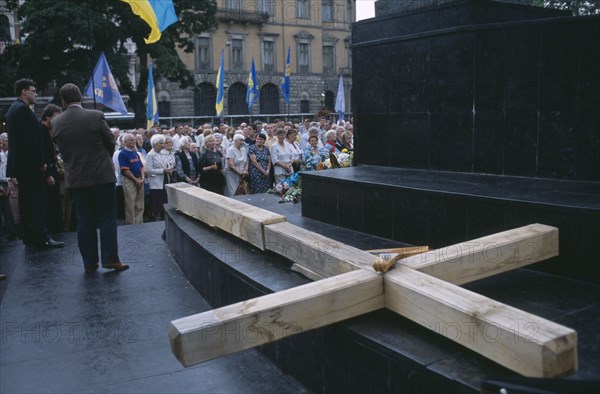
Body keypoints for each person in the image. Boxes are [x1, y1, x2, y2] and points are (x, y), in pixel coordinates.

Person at [51, 83, 128, 273]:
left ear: (63, 100)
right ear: (80, 97)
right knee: (107, 218)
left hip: (76, 178)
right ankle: (110, 259)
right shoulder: (95, 115)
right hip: (101, 175)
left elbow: (60, 149)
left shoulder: (56, 122)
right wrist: (102, 159)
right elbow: (111, 142)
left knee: (84, 220)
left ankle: (89, 262)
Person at [5, 78, 63, 249]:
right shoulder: (23, 110)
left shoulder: (13, 110)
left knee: (26, 202)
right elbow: (30, 141)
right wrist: (41, 162)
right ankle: (41, 237)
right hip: (30, 166)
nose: (36, 93)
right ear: (24, 91)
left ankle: (30, 236)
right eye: (33, 90)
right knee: (36, 202)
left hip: (21, 166)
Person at [40, 104, 63, 234]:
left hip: (52, 169)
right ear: (48, 117)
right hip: (47, 172)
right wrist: (48, 174)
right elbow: (42, 154)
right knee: (50, 202)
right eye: (55, 117)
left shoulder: (51, 131)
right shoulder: (41, 130)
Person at [145, 134, 173, 220]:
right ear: (155, 144)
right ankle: (156, 216)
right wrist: (163, 171)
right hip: (156, 181)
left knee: (164, 199)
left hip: (164, 179)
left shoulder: (162, 153)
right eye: (161, 143)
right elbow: (149, 170)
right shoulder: (150, 155)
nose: (163, 145)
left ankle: (163, 216)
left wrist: (168, 168)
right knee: (157, 201)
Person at [118, 133, 145, 224]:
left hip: (139, 179)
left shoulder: (135, 153)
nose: (133, 142)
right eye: (131, 140)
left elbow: (141, 167)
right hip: (130, 181)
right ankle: (131, 225)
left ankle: (139, 222)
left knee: (140, 204)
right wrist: (136, 180)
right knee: (130, 204)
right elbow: (125, 171)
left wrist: (142, 178)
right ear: (125, 142)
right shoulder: (122, 154)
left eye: (134, 140)